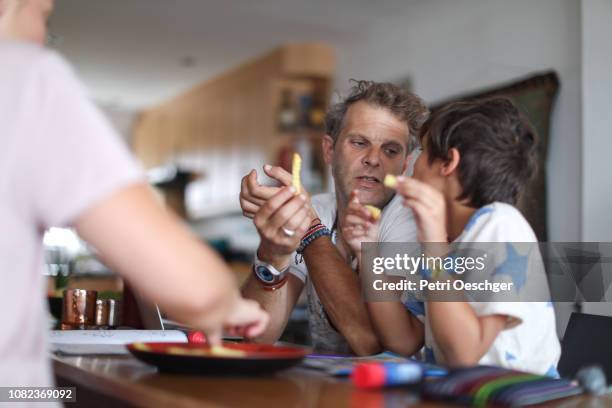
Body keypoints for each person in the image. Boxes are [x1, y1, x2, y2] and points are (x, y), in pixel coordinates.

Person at [0, 0, 268, 388]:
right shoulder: (23, 74)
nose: (45, 39)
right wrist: (225, 303)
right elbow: (193, 286)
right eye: (43, 18)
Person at [344, 97, 561, 374]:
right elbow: (403, 339)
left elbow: (464, 355)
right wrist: (367, 250)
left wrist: (434, 246)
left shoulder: (500, 225)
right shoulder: (444, 242)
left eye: (422, 152)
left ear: (448, 162)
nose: (414, 166)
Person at [239, 80, 429, 355]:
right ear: (329, 150)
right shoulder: (318, 208)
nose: (374, 159)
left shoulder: (411, 221)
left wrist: (309, 230)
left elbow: (371, 343)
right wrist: (273, 252)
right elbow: (254, 336)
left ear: (405, 163)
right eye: (359, 143)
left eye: (390, 150)